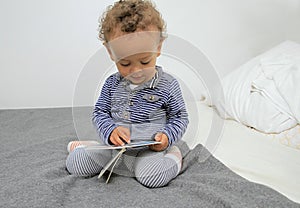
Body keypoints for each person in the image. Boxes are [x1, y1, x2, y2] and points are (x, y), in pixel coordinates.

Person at [66, 0, 189, 188]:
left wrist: (166, 137)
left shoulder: (168, 85)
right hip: (116, 147)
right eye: (125, 64)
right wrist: (110, 132)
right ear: (110, 52)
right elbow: (100, 113)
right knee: (76, 164)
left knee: (152, 177)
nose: (136, 71)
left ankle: (173, 154)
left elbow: (180, 117)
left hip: (148, 150)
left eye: (145, 61)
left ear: (158, 47)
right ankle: (88, 146)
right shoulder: (111, 84)